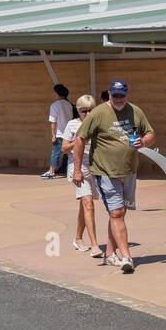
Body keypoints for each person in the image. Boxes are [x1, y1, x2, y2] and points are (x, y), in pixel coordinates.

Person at [71, 78, 154, 273]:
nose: (118, 98)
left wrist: (143, 141)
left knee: (119, 213)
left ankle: (110, 253)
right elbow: (79, 140)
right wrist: (76, 170)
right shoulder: (98, 113)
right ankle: (126, 256)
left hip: (128, 170)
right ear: (109, 94)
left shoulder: (135, 111)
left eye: (121, 95)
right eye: (114, 95)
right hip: (105, 171)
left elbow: (150, 133)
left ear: (127, 94)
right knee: (116, 213)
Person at [61, 94, 101, 256]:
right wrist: (78, 141)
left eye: (91, 110)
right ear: (78, 110)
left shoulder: (98, 124)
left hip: (95, 168)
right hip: (78, 168)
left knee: (85, 206)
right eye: (84, 111)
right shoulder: (72, 124)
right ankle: (95, 245)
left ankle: (78, 238)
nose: (87, 114)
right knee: (88, 204)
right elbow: (63, 148)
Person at [41, 84, 76, 178]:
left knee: (55, 152)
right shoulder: (69, 104)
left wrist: (53, 135)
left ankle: (51, 171)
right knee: (70, 152)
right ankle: (71, 170)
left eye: (54, 92)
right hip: (70, 132)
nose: (53, 94)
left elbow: (53, 121)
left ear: (57, 93)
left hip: (60, 133)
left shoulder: (54, 105)